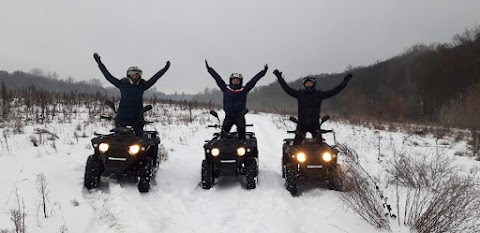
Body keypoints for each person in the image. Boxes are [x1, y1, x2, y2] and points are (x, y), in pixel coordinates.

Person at [93, 53, 170, 137]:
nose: (135, 76)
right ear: (129, 74)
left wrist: (164, 69)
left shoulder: (142, 86)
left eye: (137, 74)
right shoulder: (122, 84)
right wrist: (100, 64)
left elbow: (155, 78)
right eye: (133, 74)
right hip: (122, 118)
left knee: (141, 140)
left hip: (137, 119)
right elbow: (108, 76)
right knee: (116, 140)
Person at [273, 69, 352, 145]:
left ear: (314, 84)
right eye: (307, 84)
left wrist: (344, 83)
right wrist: (280, 79)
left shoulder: (319, 94)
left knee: (321, 148)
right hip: (301, 125)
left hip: (315, 125)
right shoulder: (300, 94)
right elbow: (288, 89)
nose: (308, 85)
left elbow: (333, 91)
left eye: (310, 83)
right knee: (296, 147)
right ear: (304, 85)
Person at [205, 59, 268, 139]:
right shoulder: (225, 89)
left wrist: (263, 72)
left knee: (242, 138)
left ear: (240, 81)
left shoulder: (244, 90)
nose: (235, 82)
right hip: (228, 116)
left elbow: (253, 81)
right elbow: (218, 79)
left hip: (240, 116)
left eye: (237, 80)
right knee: (223, 137)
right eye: (234, 80)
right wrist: (209, 69)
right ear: (231, 81)